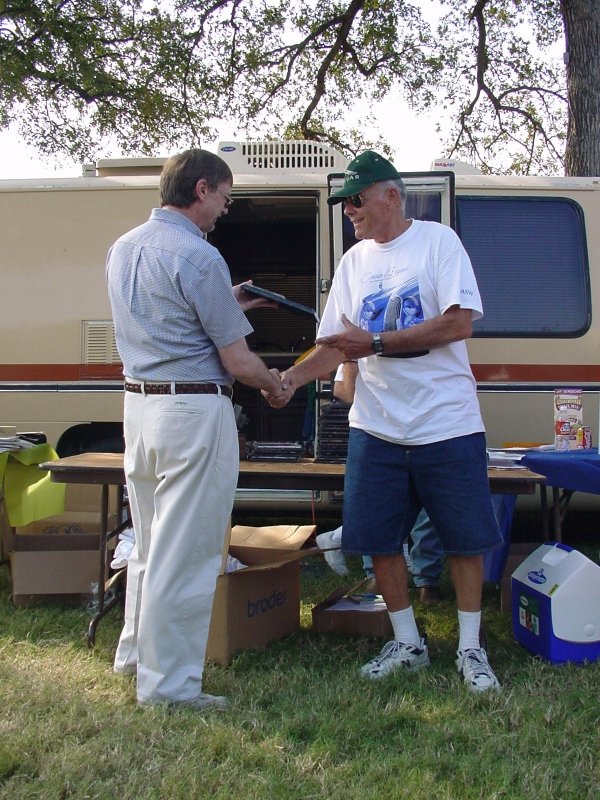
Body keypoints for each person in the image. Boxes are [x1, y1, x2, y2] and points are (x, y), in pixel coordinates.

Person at [265, 150, 504, 692]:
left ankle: (470, 648)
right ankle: (407, 642)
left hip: (447, 421)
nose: (349, 211)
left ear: (391, 195)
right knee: (379, 540)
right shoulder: (352, 264)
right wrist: (291, 381)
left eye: (357, 200)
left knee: (465, 540)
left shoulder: (438, 243)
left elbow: (458, 323)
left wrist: (373, 342)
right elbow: (332, 347)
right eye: (344, 204)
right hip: (375, 426)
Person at [106, 147, 286, 711]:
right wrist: (273, 382)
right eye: (225, 200)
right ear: (203, 189)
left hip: (139, 408)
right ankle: (169, 688)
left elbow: (170, 318)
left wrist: (225, 304)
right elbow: (237, 361)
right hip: (191, 413)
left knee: (150, 543)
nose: (223, 212)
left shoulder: (124, 246)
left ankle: (134, 655)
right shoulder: (200, 256)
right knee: (186, 555)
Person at [317, 360, 444, 603]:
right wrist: (374, 400)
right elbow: (341, 390)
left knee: (430, 508)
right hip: (380, 434)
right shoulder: (365, 343)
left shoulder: (427, 344)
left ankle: (426, 579)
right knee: (378, 507)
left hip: (429, 431)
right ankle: (375, 574)